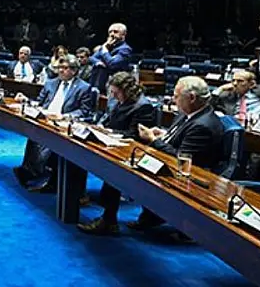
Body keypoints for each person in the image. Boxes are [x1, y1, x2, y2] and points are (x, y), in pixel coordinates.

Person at [79, 77, 222, 235]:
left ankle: (109, 220)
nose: (172, 99)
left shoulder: (203, 125)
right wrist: (163, 135)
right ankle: (144, 216)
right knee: (118, 163)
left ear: (192, 98)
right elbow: (177, 140)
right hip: (169, 164)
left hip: (187, 177)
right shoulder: (189, 114)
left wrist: (153, 140)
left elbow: (182, 158)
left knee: (118, 170)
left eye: (176, 96)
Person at [12, 56, 96, 191]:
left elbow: (84, 111)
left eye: (65, 68)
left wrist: (64, 116)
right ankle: (30, 171)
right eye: (59, 68)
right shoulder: (50, 83)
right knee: (33, 136)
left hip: (63, 124)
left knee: (49, 143)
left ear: (74, 70)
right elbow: (40, 103)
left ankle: (41, 175)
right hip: (45, 120)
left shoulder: (84, 88)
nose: (61, 71)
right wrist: (26, 100)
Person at [88, 23, 133, 90]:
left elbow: (113, 64)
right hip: (98, 82)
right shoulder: (107, 47)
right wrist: (98, 62)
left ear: (123, 34)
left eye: (115, 32)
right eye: (110, 32)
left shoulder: (125, 49)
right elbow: (92, 58)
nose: (112, 34)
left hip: (115, 85)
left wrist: (104, 50)